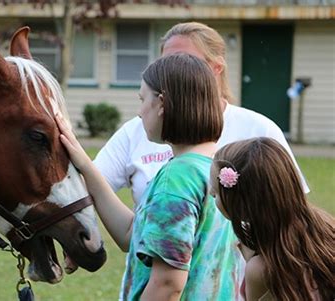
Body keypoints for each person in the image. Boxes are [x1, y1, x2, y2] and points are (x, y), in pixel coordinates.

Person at [57, 53, 241, 300]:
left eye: (143, 99)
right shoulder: (216, 167)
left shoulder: (176, 180)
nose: (140, 112)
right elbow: (132, 235)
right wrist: (87, 167)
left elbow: (168, 283)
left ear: (162, 104)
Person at [94, 21, 309, 206]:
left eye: (185, 62)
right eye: (165, 65)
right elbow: (88, 189)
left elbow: (289, 211)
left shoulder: (260, 130)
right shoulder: (137, 130)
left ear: (217, 67)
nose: (171, 74)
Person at [210, 137, 334, 301]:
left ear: (243, 205)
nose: (211, 192)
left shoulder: (261, 269)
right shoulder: (325, 224)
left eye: (216, 193)